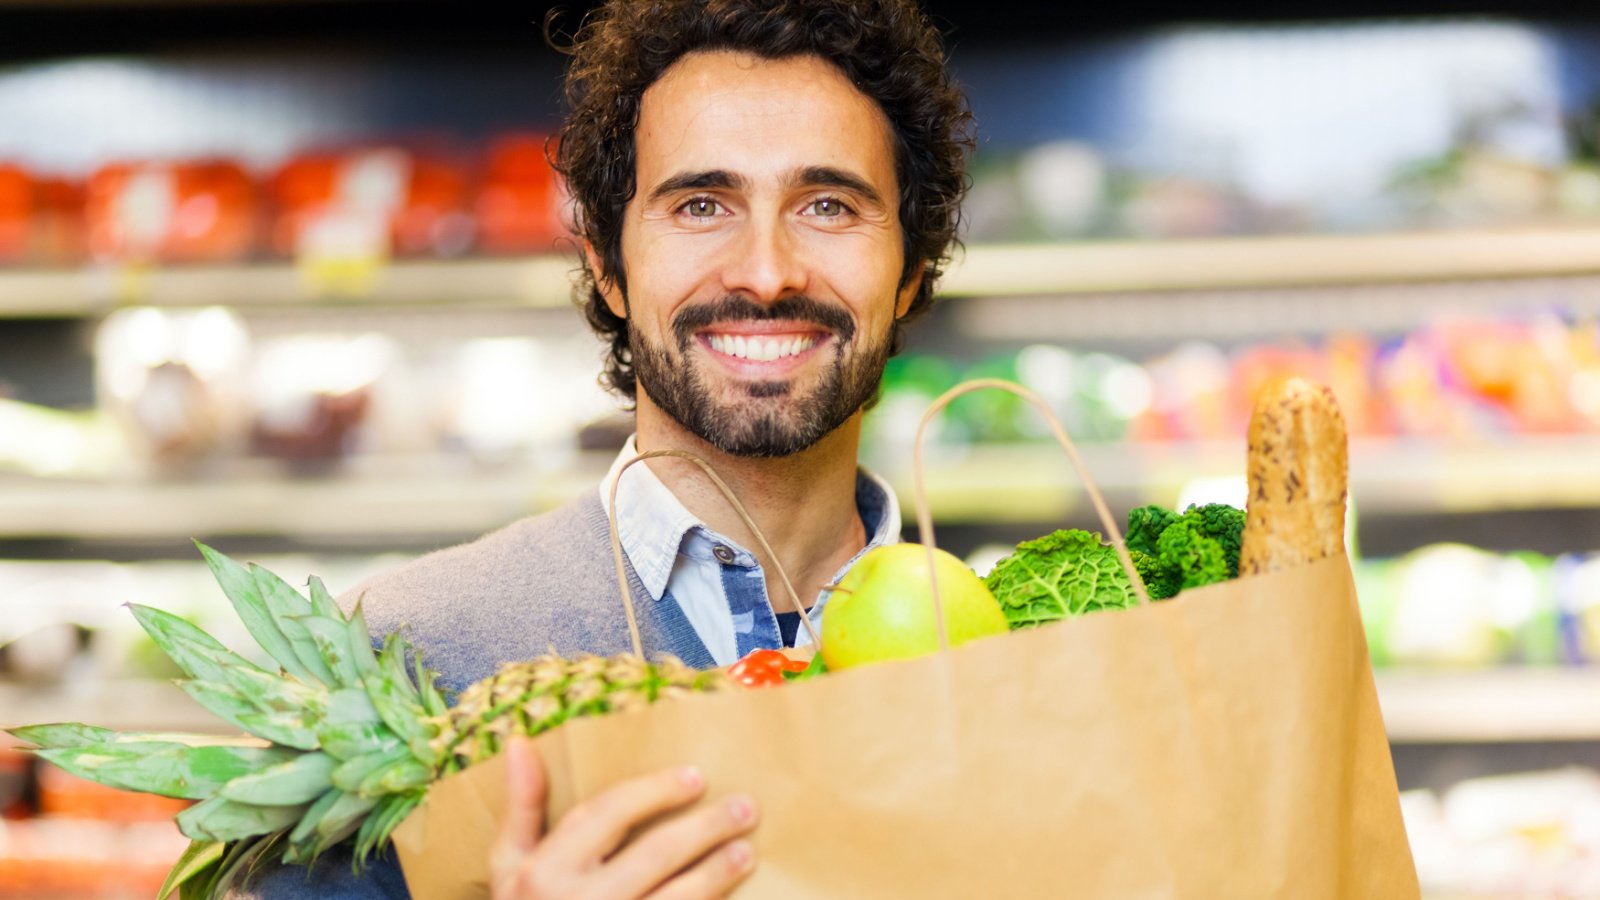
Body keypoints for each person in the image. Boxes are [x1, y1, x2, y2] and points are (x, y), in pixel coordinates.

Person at [237, 0, 971, 896]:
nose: (767, 270)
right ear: (608, 269)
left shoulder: (1028, 665)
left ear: (913, 273)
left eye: (828, 204)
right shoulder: (400, 665)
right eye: (701, 204)